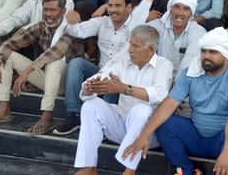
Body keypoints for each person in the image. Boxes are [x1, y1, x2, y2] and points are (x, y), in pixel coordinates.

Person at [122, 28, 228, 175]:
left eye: (213, 52)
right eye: (204, 51)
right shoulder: (191, 72)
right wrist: (143, 136)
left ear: (226, 55)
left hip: (223, 141)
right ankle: (186, 170)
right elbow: (169, 104)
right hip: (196, 137)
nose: (206, 56)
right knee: (166, 123)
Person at [73, 25, 173, 175]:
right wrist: (90, 87)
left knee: (142, 110)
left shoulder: (164, 65)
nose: (130, 50)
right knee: (91, 105)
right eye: (130, 44)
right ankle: (89, 167)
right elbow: (102, 76)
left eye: (135, 46)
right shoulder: (123, 62)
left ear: (151, 49)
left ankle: (129, 169)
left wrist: (124, 88)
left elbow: (159, 95)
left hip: (149, 134)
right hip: (122, 126)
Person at [0, 0, 78, 134]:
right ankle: (3, 109)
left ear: (63, 11)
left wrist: (25, 73)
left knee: (54, 63)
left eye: (53, 10)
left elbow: (53, 54)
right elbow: (10, 44)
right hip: (49, 80)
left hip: (68, 83)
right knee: (7, 56)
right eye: (46, 9)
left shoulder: (71, 27)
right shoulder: (41, 26)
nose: (48, 14)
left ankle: (47, 116)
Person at [53, 0, 143, 135]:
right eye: (110, 5)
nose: (113, 10)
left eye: (118, 6)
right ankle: (74, 115)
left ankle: (107, 123)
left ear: (128, 7)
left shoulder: (136, 26)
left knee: (112, 77)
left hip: (123, 78)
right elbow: (78, 31)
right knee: (76, 63)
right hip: (100, 71)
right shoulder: (102, 22)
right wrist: (68, 17)